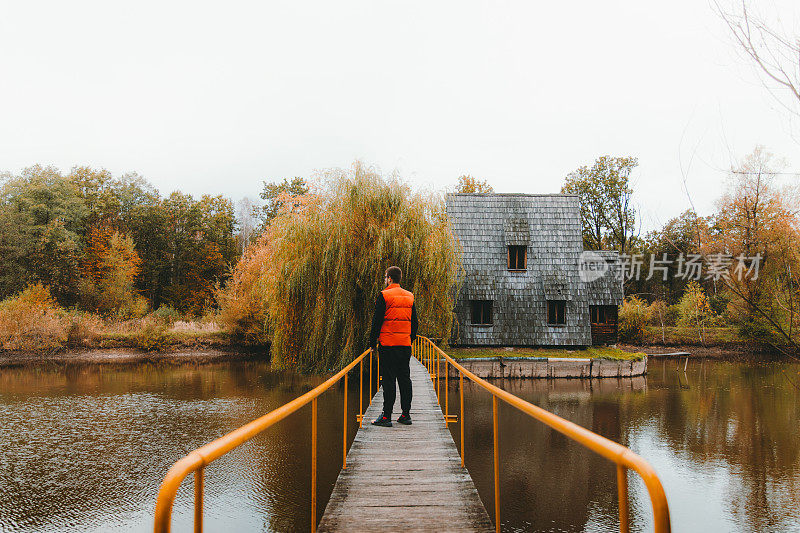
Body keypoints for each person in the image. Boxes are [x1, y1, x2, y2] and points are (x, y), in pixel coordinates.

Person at [369, 266, 418, 427]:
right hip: (404, 346)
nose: (385, 280)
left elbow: (377, 321)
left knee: (388, 380)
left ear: (389, 278)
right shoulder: (410, 296)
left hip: (388, 345)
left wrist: (372, 342)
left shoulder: (384, 295)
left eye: (385, 277)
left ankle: (386, 416)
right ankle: (406, 415)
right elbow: (415, 323)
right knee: (405, 379)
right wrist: (409, 340)